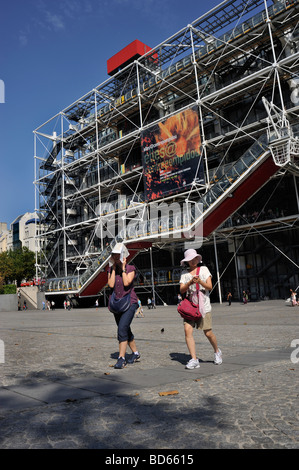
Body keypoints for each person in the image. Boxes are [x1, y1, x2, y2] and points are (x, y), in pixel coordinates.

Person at [179, 248, 222, 369]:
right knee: (187, 330)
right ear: (187, 261)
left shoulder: (203, 269)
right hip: (190, 306)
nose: (193, 261)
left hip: (204, 306)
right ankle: (194, 359)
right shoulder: (184, 274)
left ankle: (217, 351)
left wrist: (200, 282)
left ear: (198, 259)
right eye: (191, 259)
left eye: (195, 258)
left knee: (208, 332)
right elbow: (181, 290)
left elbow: (209, 286)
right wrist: (189, 283)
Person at [108, 243, 140, 369]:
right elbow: (111, 285)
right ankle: (136, 353)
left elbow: (127, 282)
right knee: (126, 330)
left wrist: (123, 267)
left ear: (123, 256)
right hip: (116, 304)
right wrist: (114, 268)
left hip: (130, 302)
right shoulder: (111, 270)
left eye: (118, 255)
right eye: (114, 255)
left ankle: (121, 358)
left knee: (122, 329)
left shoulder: (131, 268)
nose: (116, 257)